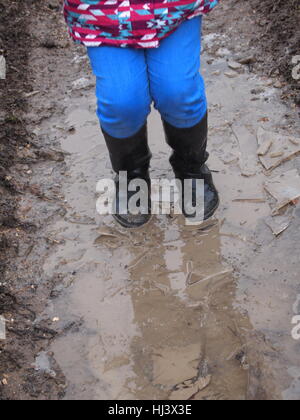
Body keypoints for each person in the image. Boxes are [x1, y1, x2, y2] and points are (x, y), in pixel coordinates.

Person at [63, 0, 220, 228]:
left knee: (179, 91)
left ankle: (191, 168)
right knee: (122, 101)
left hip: (174, 10)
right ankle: (132, 176)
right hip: (103, 16)